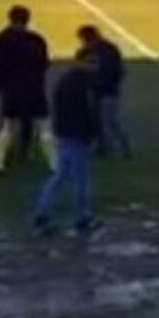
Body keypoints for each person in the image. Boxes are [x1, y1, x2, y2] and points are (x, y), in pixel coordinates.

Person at [32, 49, 101, 237]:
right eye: (93, 63)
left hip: (63, 132)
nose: (96, 67)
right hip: (76, 135)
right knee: (81, 179)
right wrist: (92, 136)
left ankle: (42, 213)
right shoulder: (82, 84)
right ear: (84, 62)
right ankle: (82, 217)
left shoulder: (66, 80)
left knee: (60, 176)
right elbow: (86, 112)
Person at [0, 5, 53, 175]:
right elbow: (44, 63)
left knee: (7, 124)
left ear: (9, 18)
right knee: (43, 125)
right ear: (28, 19)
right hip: (33, 87)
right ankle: (54, 164)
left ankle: (0, 163)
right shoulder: (37, 39)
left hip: (11, 88)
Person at [77, 25, 130, 158]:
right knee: (99, 121)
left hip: (106, 90)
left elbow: (108, 70)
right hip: (100, 90)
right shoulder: (103, 49)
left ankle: (119, 148)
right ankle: (103, 147)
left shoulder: (103, 51)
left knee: (108, 121)